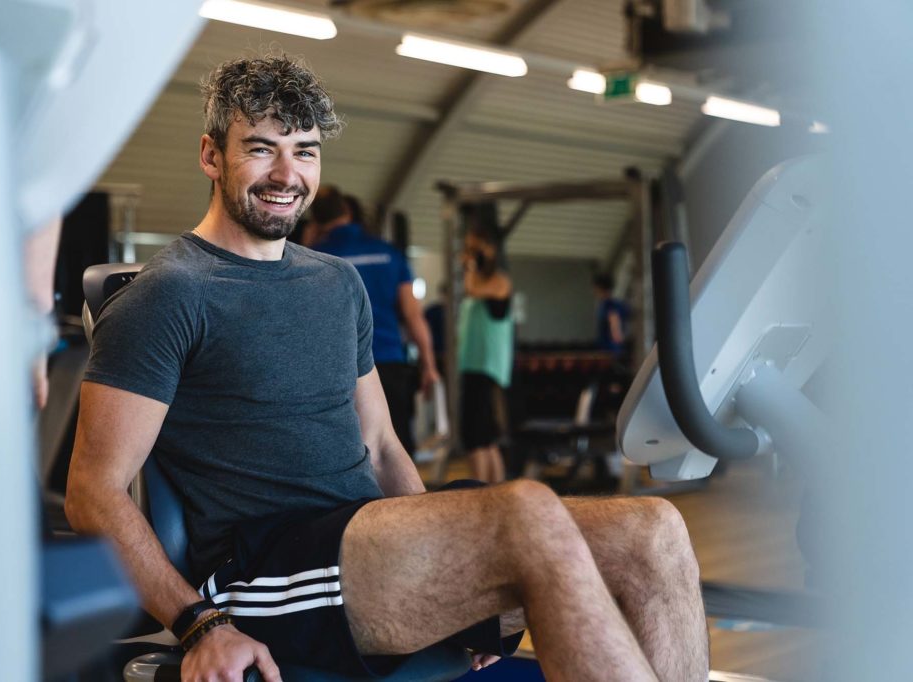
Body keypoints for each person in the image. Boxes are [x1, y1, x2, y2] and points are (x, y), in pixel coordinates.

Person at [65, 55, 708, 682]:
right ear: (212, 155)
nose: (287, 174)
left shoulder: (337, 282)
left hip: (366, 546)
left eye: (306, 151)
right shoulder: (169, 292)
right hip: (268, 568)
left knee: (653, 531)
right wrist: (200, 624)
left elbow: (379, 446)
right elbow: (92, 492)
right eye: (261, 149)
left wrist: (457, 587)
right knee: (526, 513)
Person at [309, 185, 439, 455]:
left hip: (340, 368)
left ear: (316, 220)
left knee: (349, 450)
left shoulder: (315, 257)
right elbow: (413, 316)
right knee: (397, 444)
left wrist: (309, 242)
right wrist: (429, 365)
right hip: (390, 362)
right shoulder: (388, 253)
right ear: (347, 211)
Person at [458, 232, 515, 485]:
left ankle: (482, 491)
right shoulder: (481, 282)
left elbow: (472, 289)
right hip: (473, 366)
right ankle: (491, 490)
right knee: (481, 436)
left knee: (480, 437)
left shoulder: (500, 281)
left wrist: (470, 264)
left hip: (488, 368)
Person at [593, 272, 629, 355]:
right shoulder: (604, 305)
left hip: (611, 351)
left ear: (600, 288)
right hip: (607, 349)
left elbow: (616, 331)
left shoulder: (610, 305)